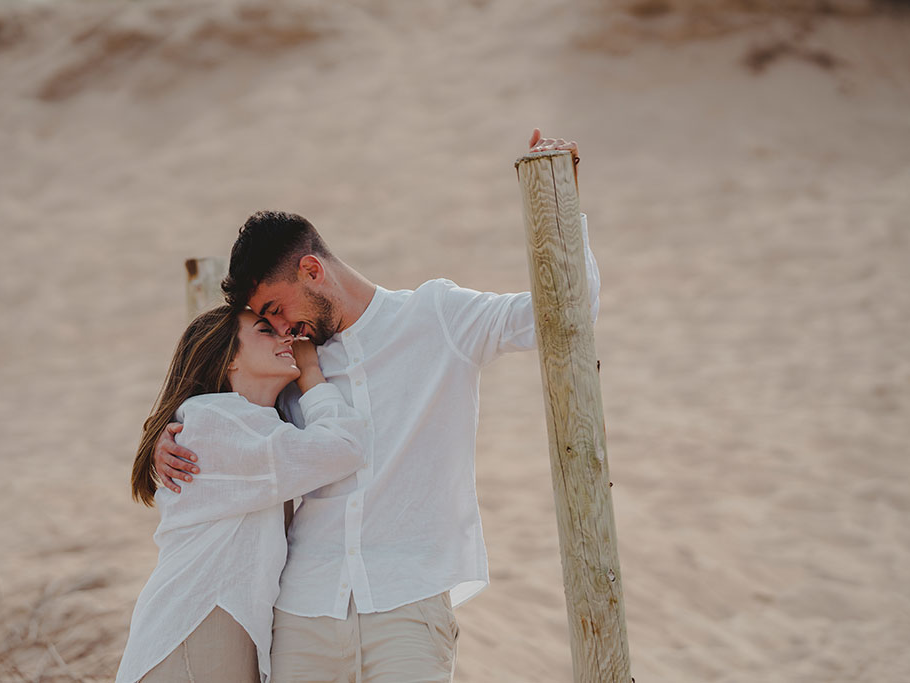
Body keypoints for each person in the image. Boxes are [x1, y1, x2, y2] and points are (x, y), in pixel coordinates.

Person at [153, 130, 598, 681]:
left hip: (407, 604)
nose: (281, 328)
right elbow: (220, 413)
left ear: (312, 270)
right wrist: (165, 439)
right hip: (302, 608)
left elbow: (562, 311)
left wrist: (562, 198)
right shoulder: (289, 364)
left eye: (276, 307)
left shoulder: (437, 317)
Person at [116, 305, 369, 683]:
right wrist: (312, 374)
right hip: (199, 623)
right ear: (229, 358)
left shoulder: (235, 424)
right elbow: (345, 446)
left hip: (212, 624)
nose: (287, 337)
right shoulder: (218, 421)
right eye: (266, 331)